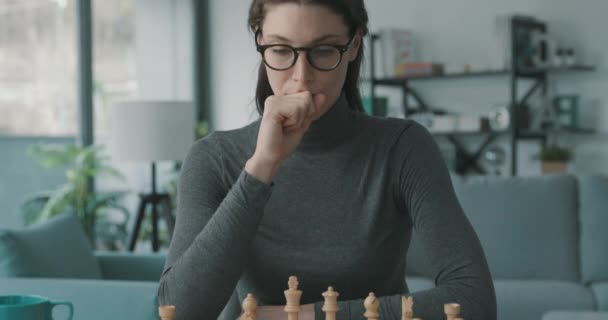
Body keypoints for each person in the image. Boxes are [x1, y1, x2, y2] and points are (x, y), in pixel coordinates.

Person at [157, 1, 497, 319]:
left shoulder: (403, 147)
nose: (301, 76)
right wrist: (262, 166)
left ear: (353, 45)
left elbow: (475, 299)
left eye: (323, 50)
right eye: (280, 50)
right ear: (259, 42)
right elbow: (178, 311)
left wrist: (307, 315)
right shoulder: (212, 158)